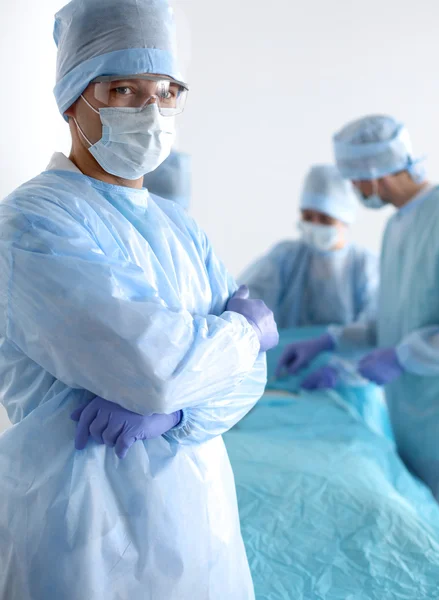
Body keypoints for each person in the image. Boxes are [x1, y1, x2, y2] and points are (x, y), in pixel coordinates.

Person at [0, 1, 278, 598]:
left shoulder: (184, 229)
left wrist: (182, 414)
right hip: (81, 529)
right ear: (73, 101)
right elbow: (153, 368)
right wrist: (245, 331)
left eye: (166, 90)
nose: (151, 111)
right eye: (123, 89)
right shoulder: (32, 223)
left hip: (202, 520)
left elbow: (247, 380)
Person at [278, 114, 439, 567]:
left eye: (354, 180)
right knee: (428, 551)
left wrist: (405, 356)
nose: (353, 191)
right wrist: (332, 341)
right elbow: (389, 320)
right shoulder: (396, 227)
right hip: (412, 420)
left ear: (373, 172)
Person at [240, 164, 379, 329]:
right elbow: (250, 299)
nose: (315, 224)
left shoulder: (365, 266)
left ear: (345, 217)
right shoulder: (285, 258)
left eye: (325, 219)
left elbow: (373, 322)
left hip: (350, 354)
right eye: (307, 216)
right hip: (284, 354)